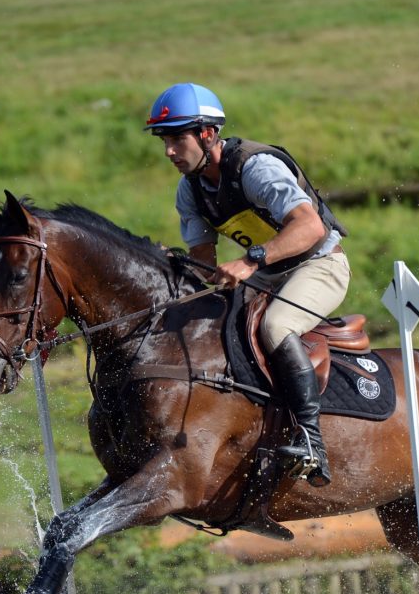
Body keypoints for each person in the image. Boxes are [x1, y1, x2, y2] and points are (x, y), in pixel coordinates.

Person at [145, 82, 350, 487]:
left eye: (177, 138)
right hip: (269, 275)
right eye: (164, 140)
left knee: (276, 326)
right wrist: (174, 265)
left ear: (207, 134)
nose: (169, 151)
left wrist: (250, 260)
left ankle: (311, 441)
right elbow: (205, 267)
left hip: (319, 265)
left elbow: (309, 226)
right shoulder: (190, 191)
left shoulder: (255, 168)